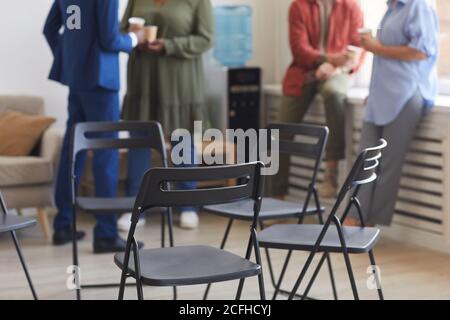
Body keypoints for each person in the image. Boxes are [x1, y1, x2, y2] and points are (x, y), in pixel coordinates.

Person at [43, 0, 146, 253]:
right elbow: (110, 40)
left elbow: (49, 29)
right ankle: (106, 233)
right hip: (101, 81)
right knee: (106, 155)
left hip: (75, 77)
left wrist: (69, 56)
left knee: (73, 151)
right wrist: (134, 39)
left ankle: (63, 225)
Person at [117, 0, 214, 231]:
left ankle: (187, 206)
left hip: (180, 80)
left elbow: (205, 38)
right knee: (139, 140)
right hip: (143, 78)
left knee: (182, 140)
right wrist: (134, 38)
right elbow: (121, 31)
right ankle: (136, 205)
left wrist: (168, 45)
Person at [347, 0, 439, 226]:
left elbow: (422, 51)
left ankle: (369, 224)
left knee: (388, 165)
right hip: (381, 95)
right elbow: (383, 60)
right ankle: (352, 217)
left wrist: (376, 47)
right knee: (364, 160)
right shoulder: (392, 8)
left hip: (405, 94)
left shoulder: (418, 6)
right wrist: (374, 89)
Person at [277, 0, 365, 198]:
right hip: (303, 71)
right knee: (280, 129)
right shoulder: (298, 6)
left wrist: (336, 67)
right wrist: (326, 60)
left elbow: (358, 49)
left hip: (338, 72)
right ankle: (276, 193)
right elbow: (299, 48)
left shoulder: (351, 7)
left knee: (334, 94)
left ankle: (330, 174)